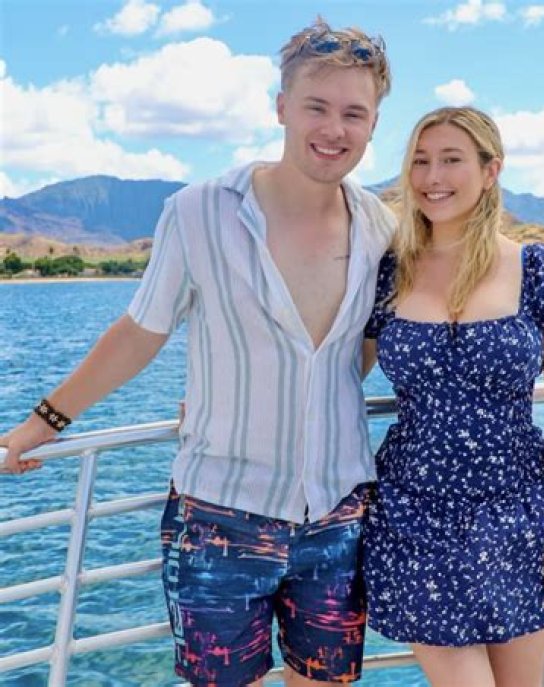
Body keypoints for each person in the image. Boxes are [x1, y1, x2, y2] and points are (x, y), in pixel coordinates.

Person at [0, 19, 395, 687]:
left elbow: (356, 350)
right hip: (218, 518)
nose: (334, 128)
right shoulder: (199, 212)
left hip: (337, 515)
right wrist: (43, 421)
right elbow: (139, 333)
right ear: (281, 107)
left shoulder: (381, 227)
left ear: (374, 122)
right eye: (317, 107)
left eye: (354, 113)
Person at [362, 106, 544, 687]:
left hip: (518, 515)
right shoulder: (389, 273)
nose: (432, 176)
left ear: (491, 171)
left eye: (451, 160)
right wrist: (228, 400)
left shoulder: (540, 271)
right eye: (420, 161)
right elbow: (330, 374)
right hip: (414, 518)